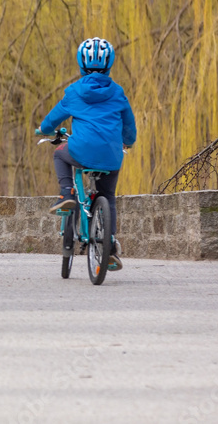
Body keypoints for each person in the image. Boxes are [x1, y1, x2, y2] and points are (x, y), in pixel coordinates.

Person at [37, 37, 136, 270]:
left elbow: (52, 120)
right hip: (112, 156)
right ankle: (109, 246)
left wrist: (42, 129)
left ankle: (67, 193)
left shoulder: (73, 92)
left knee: (60, 154)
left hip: (80, 150)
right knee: (108, 196)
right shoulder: (118, 93)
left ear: (81, 64)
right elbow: (129, 129)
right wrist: (128, 142)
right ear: (109, 64)